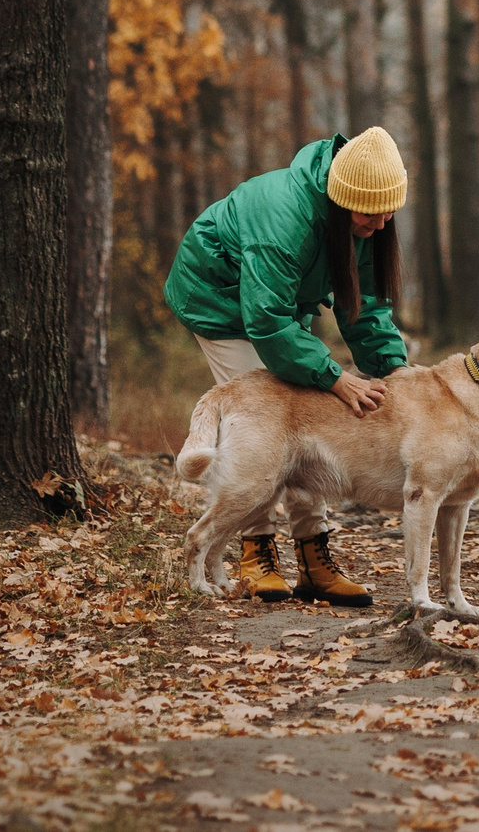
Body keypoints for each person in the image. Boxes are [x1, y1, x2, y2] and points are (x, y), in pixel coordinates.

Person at [164, 125, 410, 605]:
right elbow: (265, 319)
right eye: (370, 213)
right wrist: (335, 376)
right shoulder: (283, 216)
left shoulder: (365, 223)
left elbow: (366, 308)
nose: (381, 224)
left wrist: (395, 373)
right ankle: (256, 553)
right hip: (220, 301)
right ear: (341, 200)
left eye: (389, 213)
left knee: (312, 420)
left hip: (277, 304)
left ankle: (314, 559)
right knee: (267, 428)